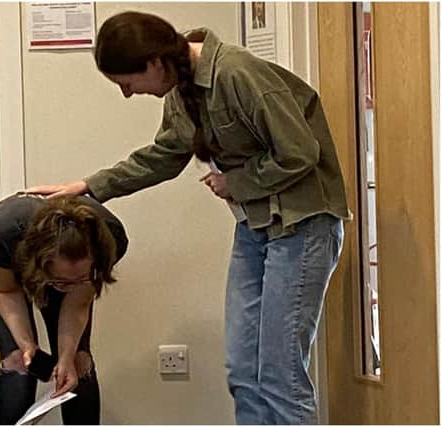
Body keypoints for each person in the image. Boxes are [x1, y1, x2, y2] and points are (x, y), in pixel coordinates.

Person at [26, 11, 350, 425]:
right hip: (257, 227)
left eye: (127, 82)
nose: (128, 94)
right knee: (243, 372)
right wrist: (87, 186)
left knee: (279, 374)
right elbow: (163, 156)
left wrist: (238, 182)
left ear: (154, 63)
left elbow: (301, 152)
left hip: (303, 224)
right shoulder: (181, 91)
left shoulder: (236, 73)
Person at [0, 193, 128, 425]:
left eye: (79, 278)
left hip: (58, 264)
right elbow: (7, 292)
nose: (68, 288)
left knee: (78, 363)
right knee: (18, 361)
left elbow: (77, 304)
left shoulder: (109, 238)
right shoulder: (2, 233)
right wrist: (27, 345)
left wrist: (67, 356)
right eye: (61, 282)